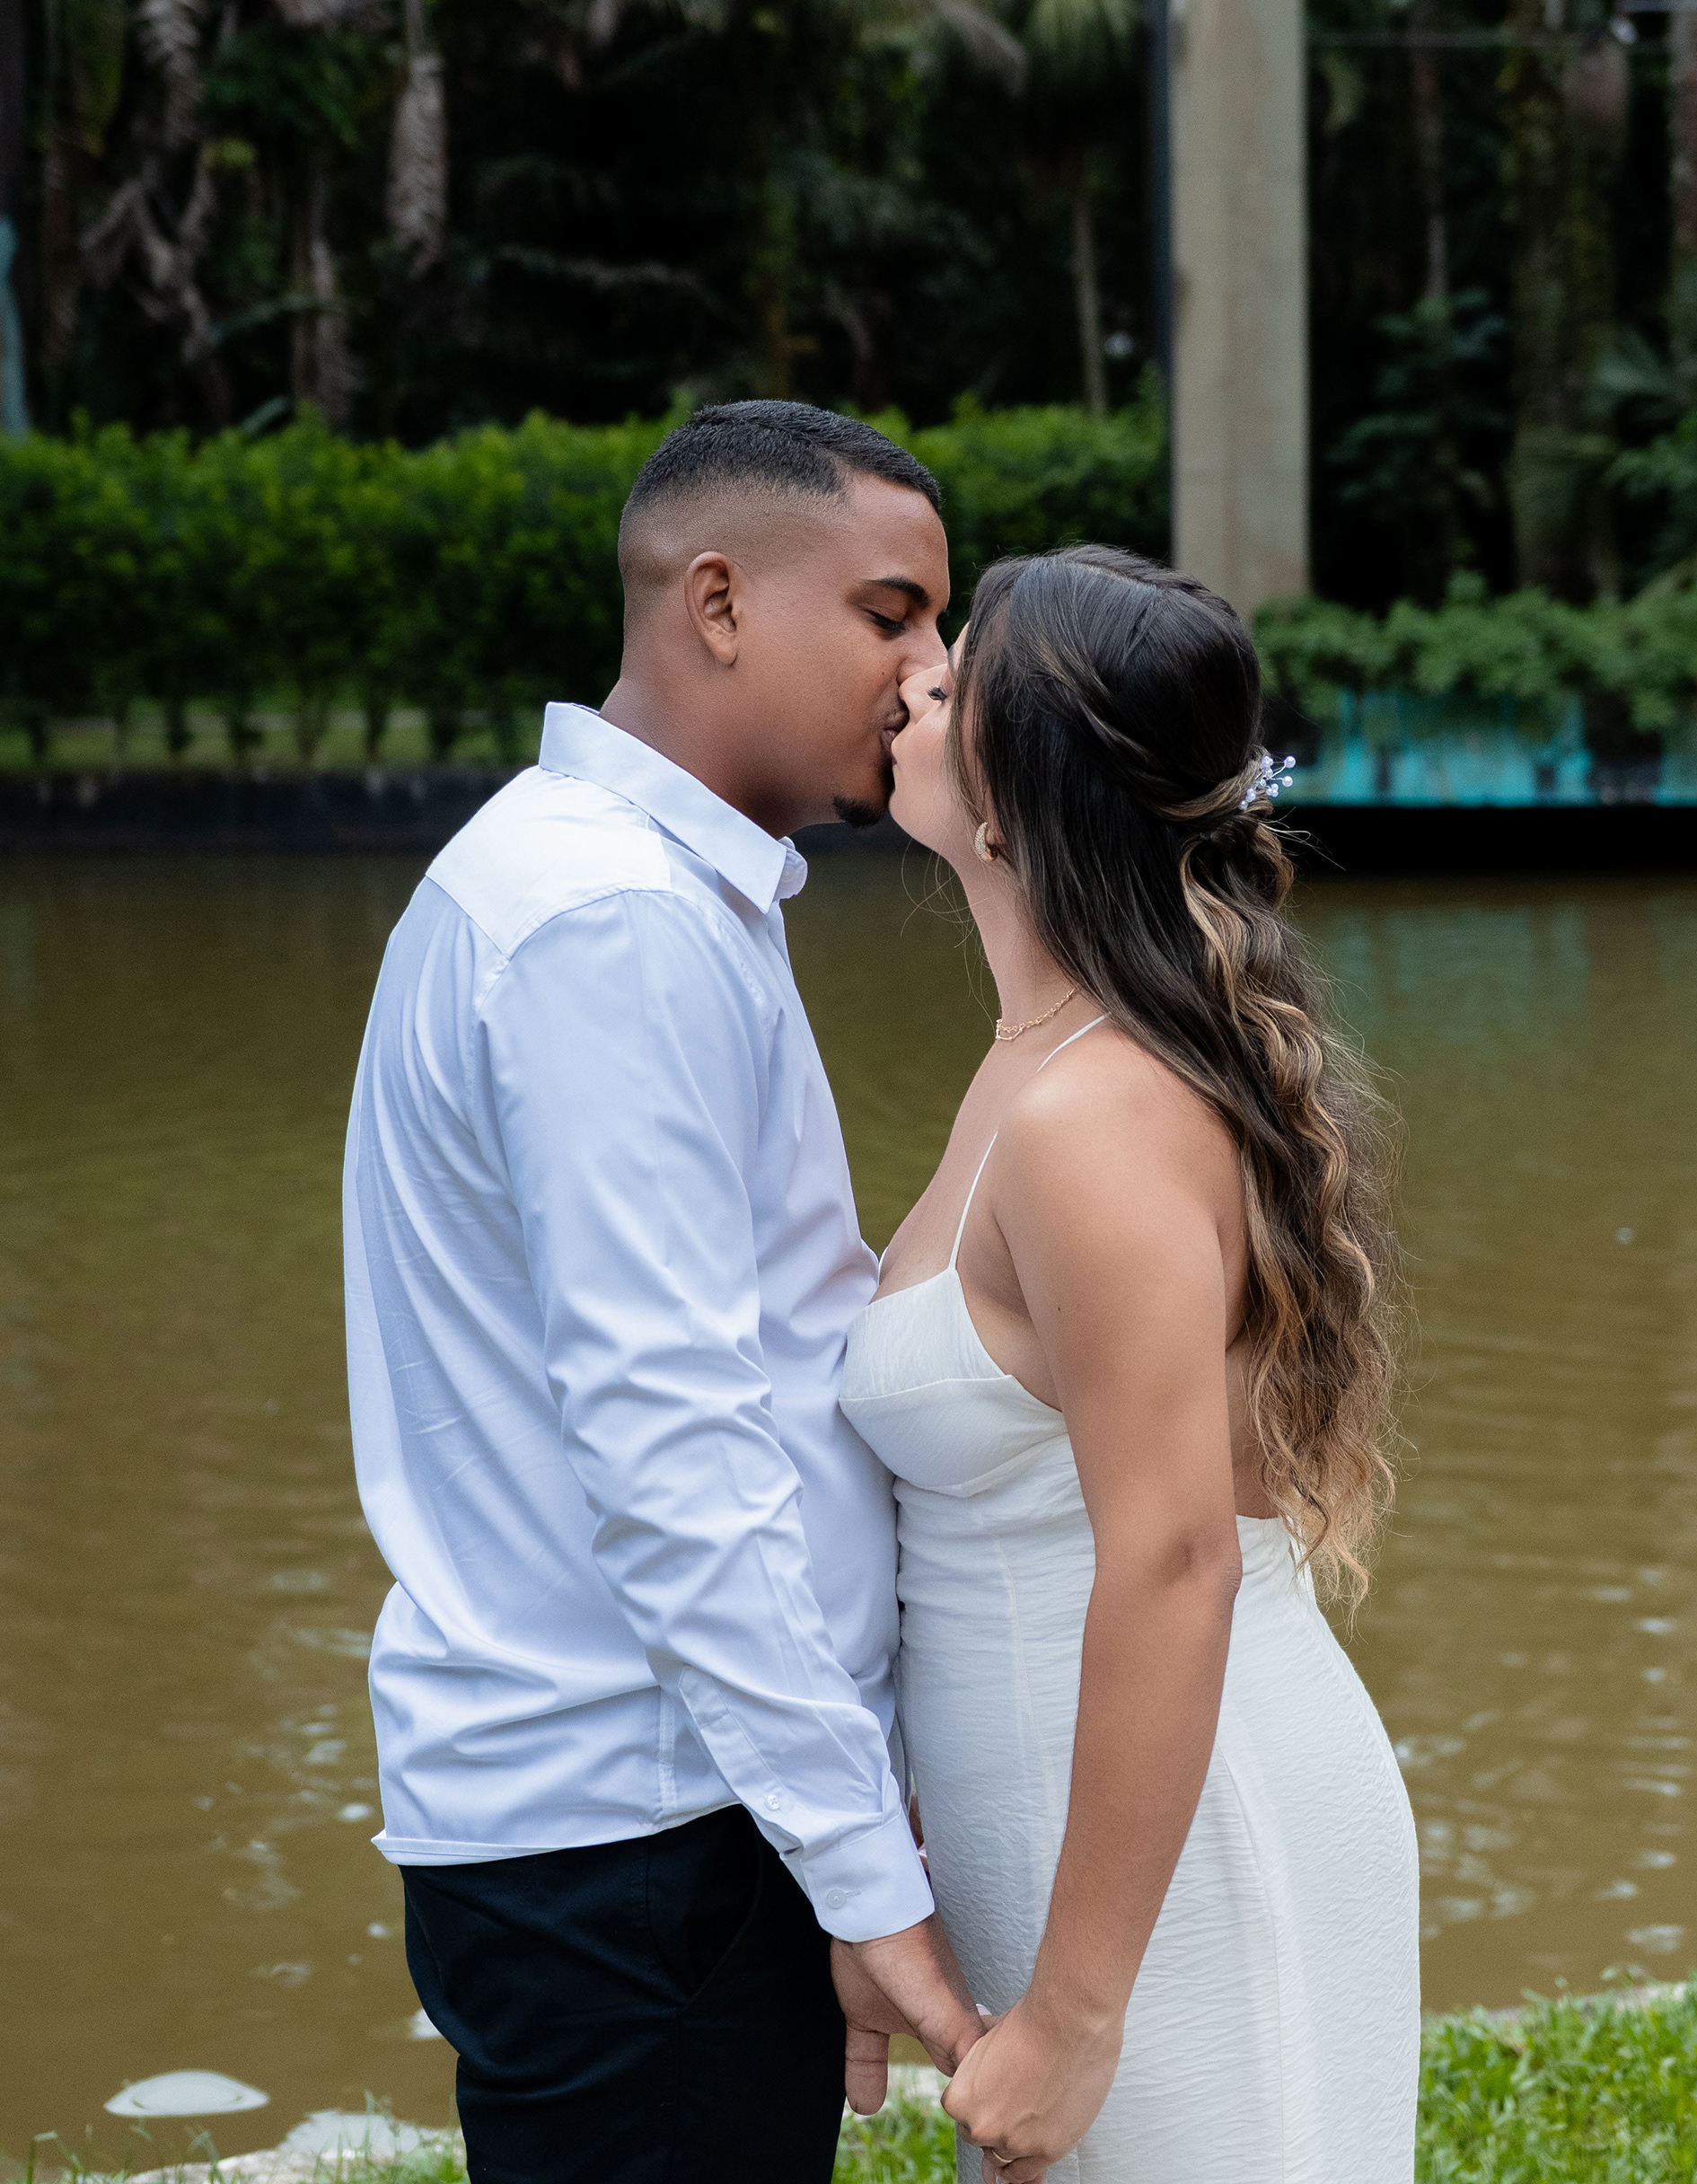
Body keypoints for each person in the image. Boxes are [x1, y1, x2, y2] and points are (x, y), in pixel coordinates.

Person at [343, 401, 989, 2184]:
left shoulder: (631, 886)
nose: (931, 674)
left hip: (666, 1811)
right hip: (641, 1834)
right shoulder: (606, 918)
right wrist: (860, 1871)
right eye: (890, 615)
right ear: (717, 603)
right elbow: (675, 1447)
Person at [841, 546, 1420, 2183]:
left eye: (957, 674)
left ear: (1018, 798)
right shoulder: (1037, 1062)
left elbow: (1173, 1558)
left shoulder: (1095, 1114)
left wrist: (1081, 2014)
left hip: (1190, 1870)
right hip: (1060, 1838)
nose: (914, 677)